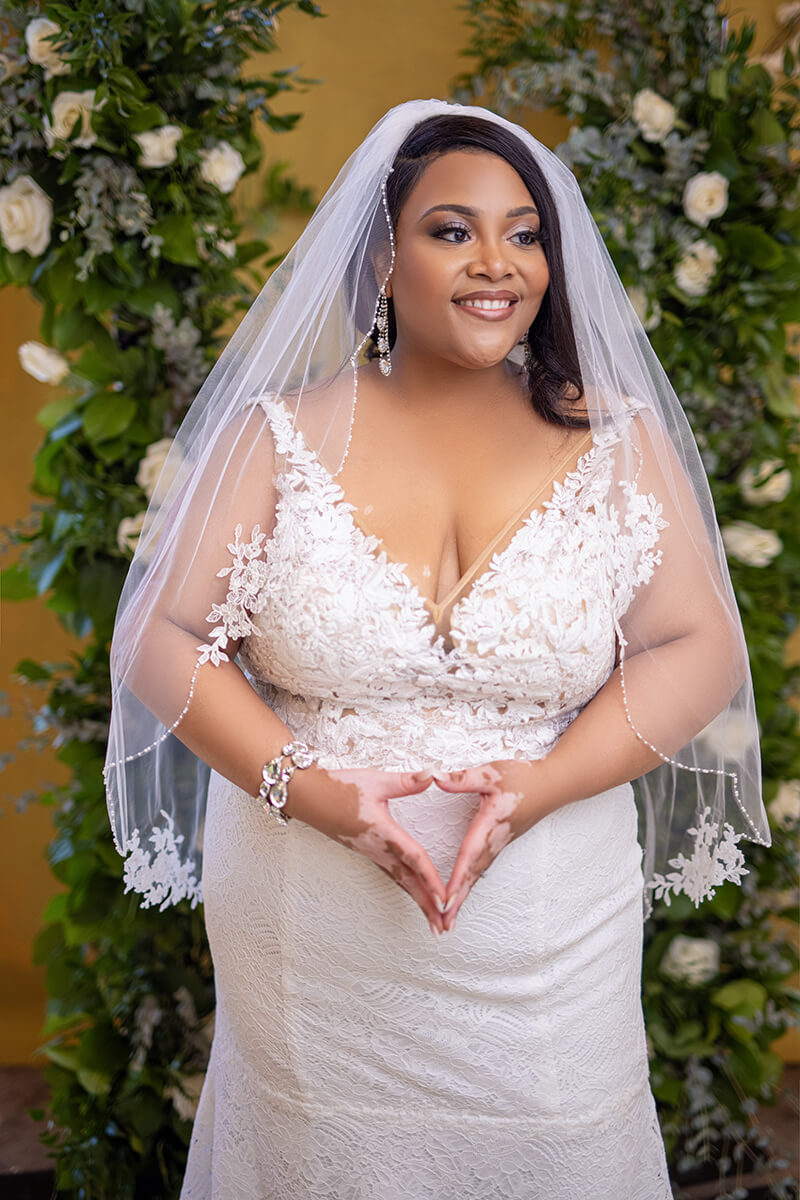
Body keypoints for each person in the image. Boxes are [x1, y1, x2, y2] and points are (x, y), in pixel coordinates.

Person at [104, 98, 771, 1199]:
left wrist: (546, 782)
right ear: (380, 258)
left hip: (550, 923)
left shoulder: (616, 441)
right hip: (312, 922)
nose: (495, 262)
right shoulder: (274, 438)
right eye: (451, 230)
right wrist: (313, 791)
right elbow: (160, 636)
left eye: (524, 233)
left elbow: (696, 646)